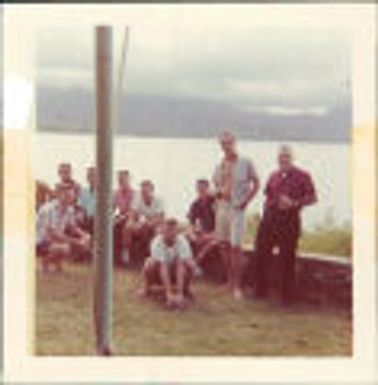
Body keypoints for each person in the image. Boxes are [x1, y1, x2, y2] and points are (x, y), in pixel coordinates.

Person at [254, 145, 317, 305]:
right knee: (261, 253)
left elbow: (312, 198)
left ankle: (287, 297)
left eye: (287, 156)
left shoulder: (303, 175)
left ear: (292, 158)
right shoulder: (273, 175)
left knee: (287, 258)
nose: (283, 159)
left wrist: (294, 203)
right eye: (281, 156)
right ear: (277, 158)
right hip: (269, 220)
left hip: (289, 221)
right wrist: (266, 212)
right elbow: (267, 195)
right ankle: (260, 291)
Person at [213, 131, 260, 299]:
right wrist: (218, 194)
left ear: (234, 143)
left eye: (228, 143)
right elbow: (217, 186)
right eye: (222, 144)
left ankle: (238, 286)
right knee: (223, 245)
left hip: (238, 209)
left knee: (236, 247)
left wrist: (246, 201)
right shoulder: (220, 164)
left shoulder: (245, 162)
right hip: (222, 208)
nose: (225, 147)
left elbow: (256, 183)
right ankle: (229, 281)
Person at [141, 218, 197, 309]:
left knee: (190, 264)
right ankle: (147, 288)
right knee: (149, 264)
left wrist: (179, 294)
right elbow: (163, 266)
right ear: (162, 231)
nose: (171, 233)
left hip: (176, 271)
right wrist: (169, 294)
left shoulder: (182, 241)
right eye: (168, 230)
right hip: (159, 272)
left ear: (177, 231)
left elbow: (182, 264)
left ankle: (184, 289)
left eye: (173, 230)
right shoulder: (156, 242)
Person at [36, 186, 92, 272]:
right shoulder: (48, 209)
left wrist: (84, 235)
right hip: (40, 241)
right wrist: (77, 242)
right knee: (65, 248)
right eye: (65, 195)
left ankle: (57, 262)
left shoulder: (69, 209)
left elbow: (72, 226)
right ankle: (44, 262)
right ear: (58, 195)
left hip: (54, 241)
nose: (68, 198)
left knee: (81, 245)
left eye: (70, 195)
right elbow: (52, 234)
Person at [123, 180, 164, 264]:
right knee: (127, 227)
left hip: (156, 225)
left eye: (146, 190)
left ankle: (155, 257)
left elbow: (160, 218)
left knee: (157, 232)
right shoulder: (137, 199)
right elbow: (132, 213)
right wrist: (131, 222)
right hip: (141, 223)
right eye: (142, 189)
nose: (144, 192)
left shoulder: (159, 200)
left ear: (152, 190)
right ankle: (126, 254)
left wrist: (146, 224)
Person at [186, 179, 218, 266]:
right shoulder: (195, 204)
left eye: (203, 189)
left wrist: (209, 235)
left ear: (208, 188)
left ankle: (196, 263)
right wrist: (192, 234)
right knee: (186, 238)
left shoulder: (216, 201)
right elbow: (190, 224)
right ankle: (184, 264)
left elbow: (222, 227)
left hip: (218, 233)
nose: (201, 192)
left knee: (212, 243)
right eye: (198, 189)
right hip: (204, 232)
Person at [113, 170, 135, 265]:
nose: (121, 181)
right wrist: (113, 217)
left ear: (128, 179)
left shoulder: (134, 194)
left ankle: (125, 254)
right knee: (108, 225)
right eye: (119, 179)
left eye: (123, 179)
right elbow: (112, 208)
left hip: (132, 217)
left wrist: (120, 218)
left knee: (127, 227)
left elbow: (133, 211)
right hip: (120, 216)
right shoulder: (116, 193)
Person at [77, 166, 96, 234]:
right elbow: (80, 206)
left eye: (92, 175)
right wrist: (80, 214)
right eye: (88, 175)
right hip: (86, 217)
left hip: (98, 218)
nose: (90, 178)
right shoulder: (83, 191)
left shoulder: (104, 192)